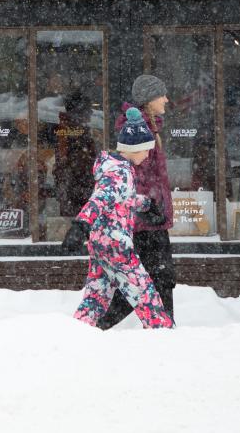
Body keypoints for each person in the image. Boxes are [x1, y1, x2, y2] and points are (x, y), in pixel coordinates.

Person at [65, 107, 174, 329]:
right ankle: (162, 333)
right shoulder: (121, 172)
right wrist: (81, 225)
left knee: (96, 297)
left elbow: (121, 198)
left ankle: (77, 333)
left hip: (100, 243)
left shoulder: (115, 167)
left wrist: (147, 205)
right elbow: (101, 199)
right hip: (116, 246)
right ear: (133, 148)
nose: (146, 155)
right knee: (145, 294)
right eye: (145, 150)